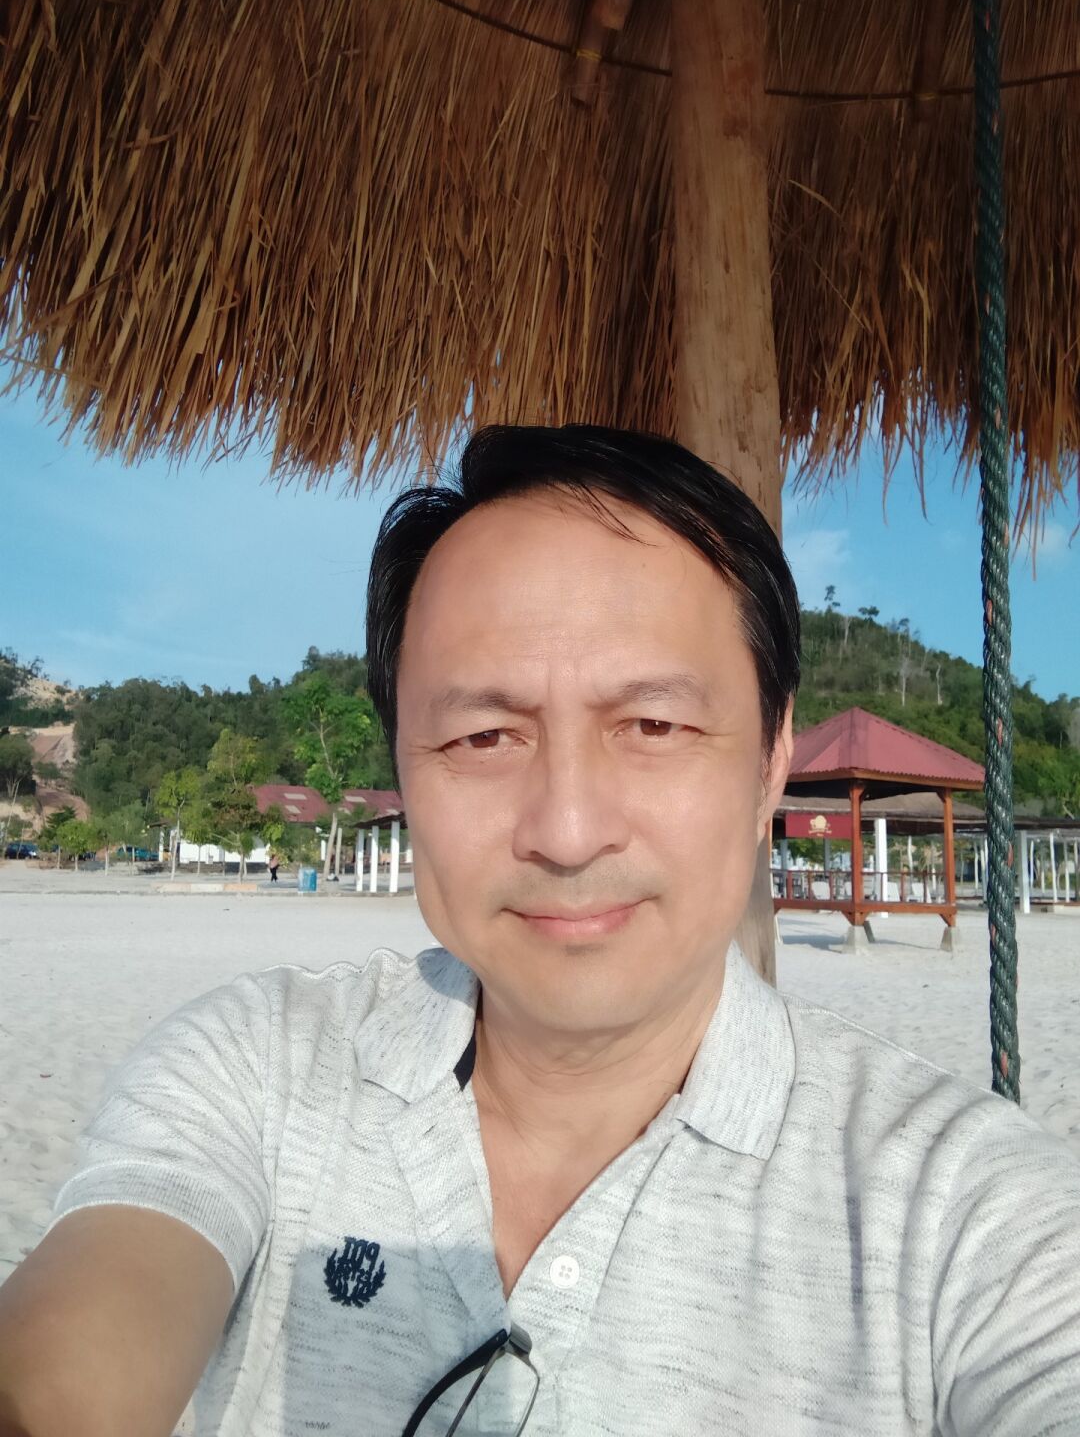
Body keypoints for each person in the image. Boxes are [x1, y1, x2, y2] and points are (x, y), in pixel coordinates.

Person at [1, 424, 1078, 1437]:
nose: (566, 832)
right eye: (483, 737)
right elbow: (69, 1359)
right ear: (402, 767)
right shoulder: (255, 1075)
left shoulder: (968, 1215)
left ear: (770, 765)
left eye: (653, 724)